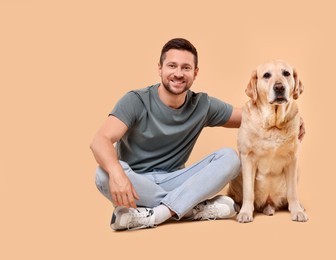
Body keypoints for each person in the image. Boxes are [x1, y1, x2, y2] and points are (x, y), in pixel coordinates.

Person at [90, 38, 305, 231]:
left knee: (230, 158)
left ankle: (155, 214)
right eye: (172, 66)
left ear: (195, 73)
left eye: (186, 67)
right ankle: (189, 208)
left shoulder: (203, 105)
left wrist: (293, 121)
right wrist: (118, 174)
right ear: (160, 69)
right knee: (103, 174)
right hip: (136, 182)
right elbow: (100, 141)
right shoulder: (135, 100)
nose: (178, 73)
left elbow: (252, 115)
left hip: (177, 180)